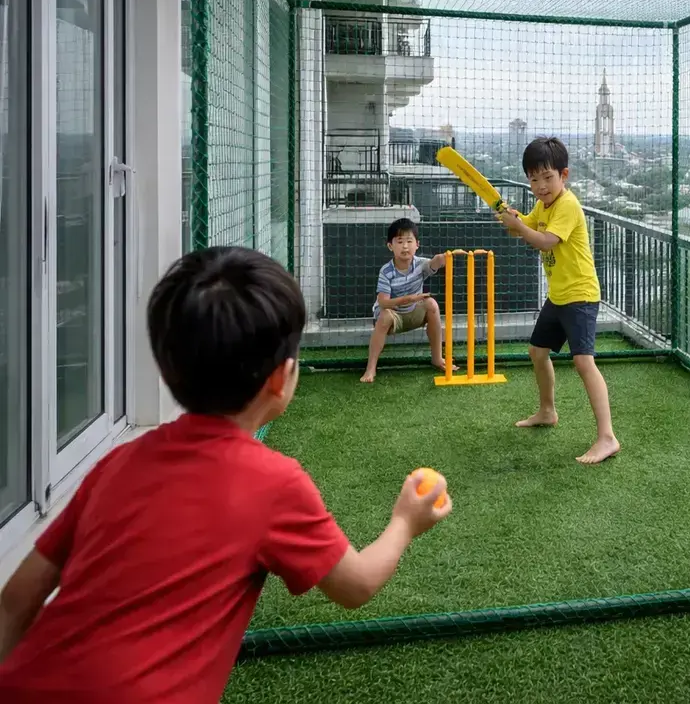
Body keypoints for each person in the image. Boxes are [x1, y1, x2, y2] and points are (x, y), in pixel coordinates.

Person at [0, 247, 452, 703]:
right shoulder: (273, 482)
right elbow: (357, 584)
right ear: (281, 379)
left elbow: (17, 599)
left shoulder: (115, 464)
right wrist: (404, 521)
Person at [496, 136, 620, 465]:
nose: (540, 186)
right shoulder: (544, 205)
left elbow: (546, 241)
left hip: (580, 295)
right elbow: (525, 227)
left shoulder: (567, 205)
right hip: (559, 296)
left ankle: (607, 437)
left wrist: (518, 227)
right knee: (537, 352)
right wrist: (511, 219)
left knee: (583, 362)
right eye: (533, 179)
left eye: (547, 178)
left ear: (564, 175)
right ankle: (548, 411)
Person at [360, 217, 450, 383]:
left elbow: (434, 264)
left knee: (431, 304)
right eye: (400, 241)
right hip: (391, 317)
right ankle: (371, 368)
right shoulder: (386, 271)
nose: (405, 246)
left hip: (412, 314)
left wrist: (441, 259)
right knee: (385, 314)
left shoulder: (421, 265)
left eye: (409, 241)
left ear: (417, 245)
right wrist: (410, 298)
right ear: (390, 246)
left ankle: (437, 358)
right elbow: (383, 303)